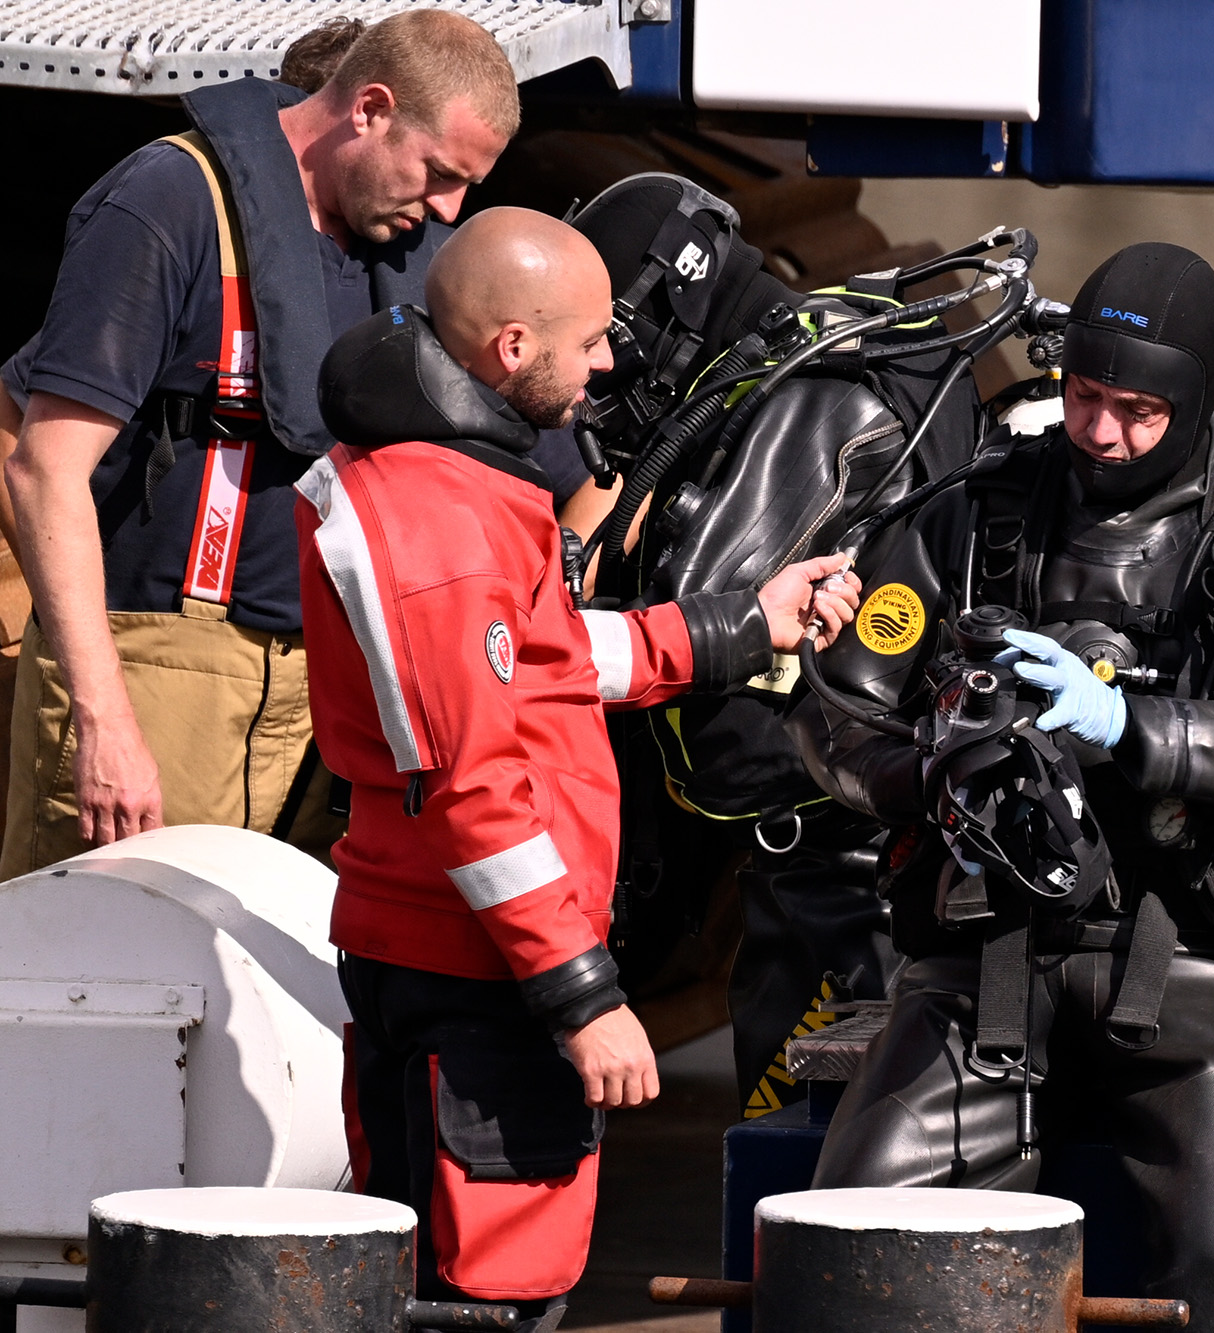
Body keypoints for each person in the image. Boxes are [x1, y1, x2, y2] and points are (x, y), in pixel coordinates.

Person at [791, 242, 1214, 1333]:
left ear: (1191, 404)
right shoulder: (974, 519)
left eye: (1137, 410)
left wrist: (1141, 730)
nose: (1101, 433)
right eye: (1084, 398)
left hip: (1210, 959)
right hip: (988, 953)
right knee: (848, 1232)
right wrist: (929, 772)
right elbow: (832, 711)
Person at [298, 207, 860, 1326]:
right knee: (494, 1293)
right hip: (479, 975)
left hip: (453, 953)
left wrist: (741, 626)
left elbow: (545, 659)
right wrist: (584, 995)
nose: (610, 362)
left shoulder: (455, 483)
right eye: (593, 340)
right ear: (512, 348)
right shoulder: (441, 530)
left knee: (430, 1278)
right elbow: (472, 787)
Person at [0, 12, 591, 876]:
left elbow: (586, 470)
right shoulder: (169, 202)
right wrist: (105, 718)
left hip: (339, 707)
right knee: (103, 984)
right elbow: (43, 464)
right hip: (161, 678)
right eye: (436, 172)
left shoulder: (421, 255)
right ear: (370, 110)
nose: (448, 207)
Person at [565, 175, 982, 1116]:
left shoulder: (814, 401)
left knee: (803, 1133)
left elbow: (699, 620)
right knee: (807, 1127)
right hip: (849, 845)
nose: (601, 370)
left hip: (845, 868)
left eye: (606, 337)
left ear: (667, 297)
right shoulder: (833, 350)